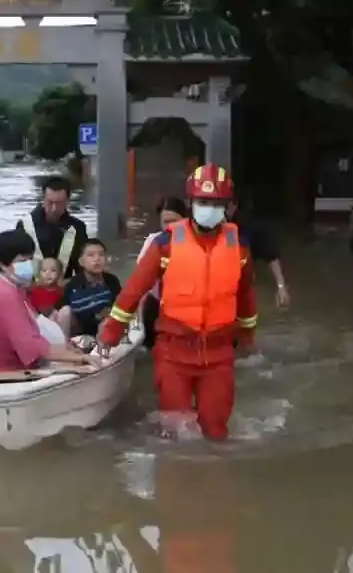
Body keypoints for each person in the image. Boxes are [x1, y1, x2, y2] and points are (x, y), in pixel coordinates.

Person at [98, 164, 258, 441]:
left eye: (216, 203)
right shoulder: (165, 244)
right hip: (174, 352)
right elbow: (133, 291)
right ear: (191, 203)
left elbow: (245, 296)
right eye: (203, 202)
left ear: (227, 207)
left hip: (218, 354)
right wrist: (111, 332)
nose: (209, 209)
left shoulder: (239, 248)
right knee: (175, 433)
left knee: (216, 431)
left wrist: (247, 337)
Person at [0, 228, 100, 375]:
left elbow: (36, 325)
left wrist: (68, 350)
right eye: (22, 261)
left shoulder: (12, 287)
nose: (29, 264)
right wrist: (80, 358)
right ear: (3, 265)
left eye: (30, 259)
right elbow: (31, 344)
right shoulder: (4, 294)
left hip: (10, 365)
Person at [135, 196, 190, 349]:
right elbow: (140, 282)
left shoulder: (196, 243)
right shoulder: (153, 241)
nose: (170, 226)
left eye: (174, 221)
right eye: (165, 222)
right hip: (156, 305)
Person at [15, 174, 90, 276]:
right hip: (32, 284)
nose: (54, 209)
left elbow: (82, 268)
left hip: (65, 284)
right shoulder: (24, 225)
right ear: (43, 199)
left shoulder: (78, 228)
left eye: (59, 203)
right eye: (50, 202)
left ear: (68, 201)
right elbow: (17, 265)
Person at [229, 197, 292, 306]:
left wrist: (281, 286)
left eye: (226, 205)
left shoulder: (247, 225)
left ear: (235, 205)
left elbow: (270, 255)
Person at [53, 239, 121, 339]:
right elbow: (61, 312)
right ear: (81, 262)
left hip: (106, 330)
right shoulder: (72, 285)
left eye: (101, 255)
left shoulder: (112, 281)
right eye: (91, 255)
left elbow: (120, 306)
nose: (97, 259)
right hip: (79, 333)